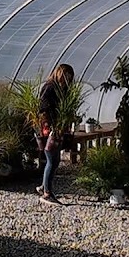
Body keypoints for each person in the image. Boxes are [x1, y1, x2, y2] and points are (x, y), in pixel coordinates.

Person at [36, 63, 75, 205]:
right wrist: (51, 123)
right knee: (52, 160)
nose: (68, 79)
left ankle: (43, 187)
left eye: (70, 76)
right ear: (60, 73)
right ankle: (47, 193)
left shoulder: (63, 89)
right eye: (66, 75)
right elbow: (43, 107)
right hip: (51, 128)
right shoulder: (50, 87)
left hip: (58, 128)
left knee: (54, 159)